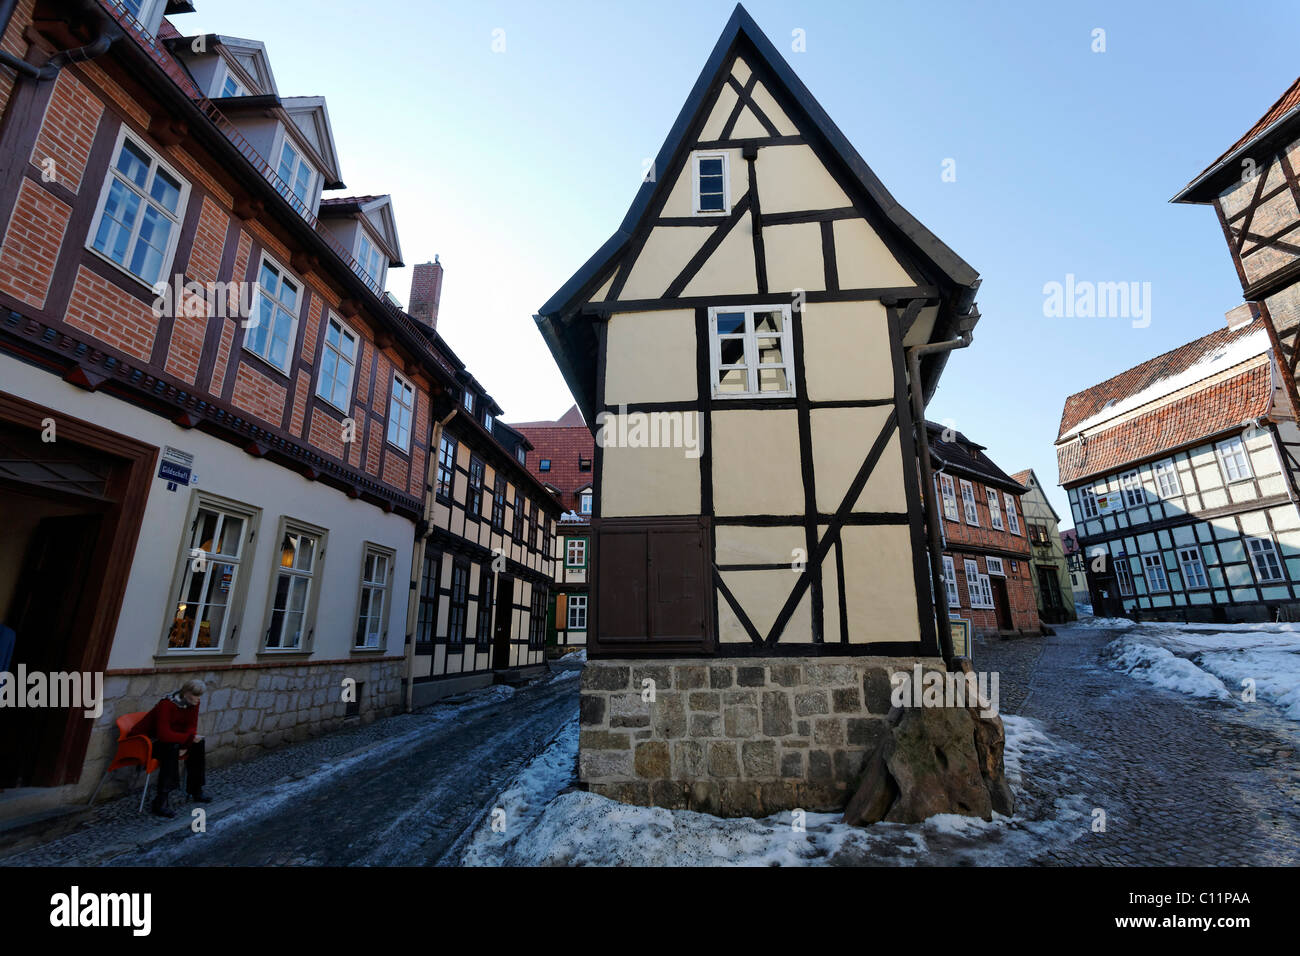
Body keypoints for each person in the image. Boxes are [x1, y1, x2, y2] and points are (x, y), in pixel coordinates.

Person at [131, 679, 213, 817]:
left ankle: (195, 789)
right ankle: (161, 800)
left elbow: (191, 727)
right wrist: (186, 741)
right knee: (172, 748)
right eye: (196, 695)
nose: (198, 699)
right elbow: (163, 734)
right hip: (145, 742)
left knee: (198, 743)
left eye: (200, 696)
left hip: (168, 740)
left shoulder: (193, 703)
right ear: (186, 693)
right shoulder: (166, 705)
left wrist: (187, 744)